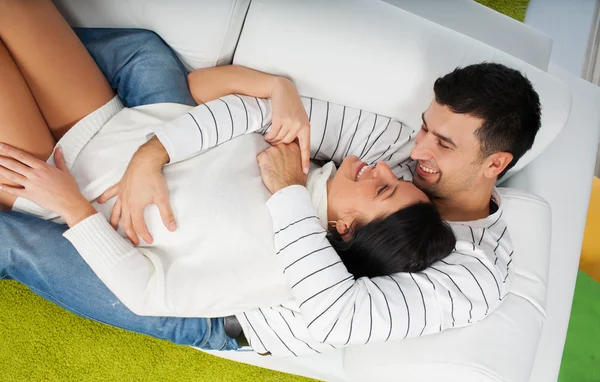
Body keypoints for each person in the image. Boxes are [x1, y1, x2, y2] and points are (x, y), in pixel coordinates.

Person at [0, 0, 455, 355]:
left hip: (49, 178)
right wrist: (148, 158)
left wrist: (72, 207)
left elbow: (148, 294)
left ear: (346, 227)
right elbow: (230, 107)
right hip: (101, 118)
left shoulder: (278, 268)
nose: (378, 166)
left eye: (382, 187)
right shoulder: (299, 165)